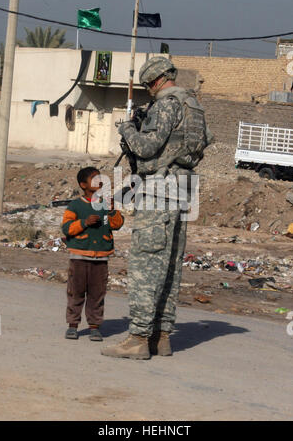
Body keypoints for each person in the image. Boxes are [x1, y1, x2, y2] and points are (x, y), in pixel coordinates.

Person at [101, 56, 212, 359]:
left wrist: (127, 130)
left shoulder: (166, 104)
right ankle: (161, 337)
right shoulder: (194, 105)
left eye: (149, 84)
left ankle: (138, 338)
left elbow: (147, 148)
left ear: (158, 79)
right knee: (171, 264)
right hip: (183, 186)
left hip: (160, 189)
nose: (149, 90)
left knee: (146, 262)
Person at [62, 166, 124, 341]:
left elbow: (117, 224)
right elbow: (66, 228)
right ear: (83, 184)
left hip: (101, 258)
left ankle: (95, 326)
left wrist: (112, 210)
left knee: (97, 294)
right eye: (94, 179)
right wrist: (84, 222)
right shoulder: (75, 205)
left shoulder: (105, 204)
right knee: (76, 293)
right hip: (79, 258)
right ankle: (73, 325)